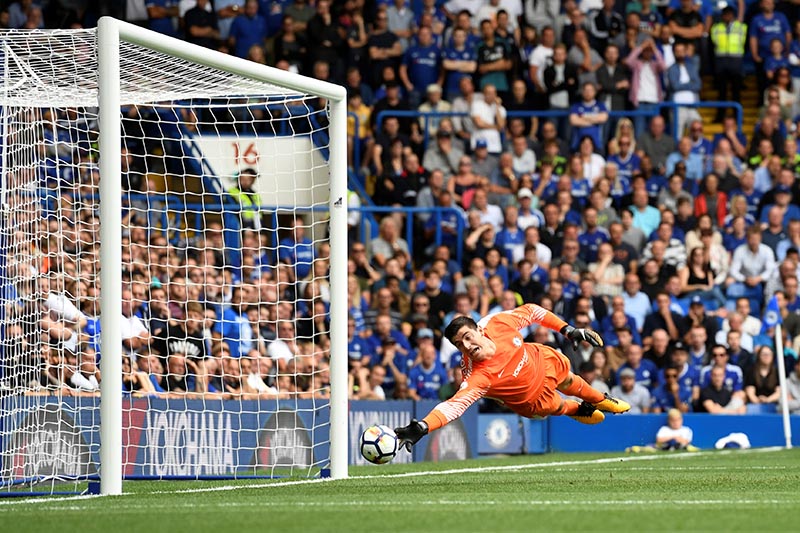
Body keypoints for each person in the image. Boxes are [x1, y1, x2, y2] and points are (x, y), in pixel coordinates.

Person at [393, 304, 631, 451]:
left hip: (539, 360)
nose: (466, 345)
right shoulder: (476, 376)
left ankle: (600, 398)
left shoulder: (497, 323)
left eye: (467, 336)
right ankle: (575, 410)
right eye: (459, 345)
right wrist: (424, 426)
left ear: (479, 329)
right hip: (529, 397)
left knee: (568, 378)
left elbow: (532, 311)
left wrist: (567, 329)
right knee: (554, 406)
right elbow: (454, 406)